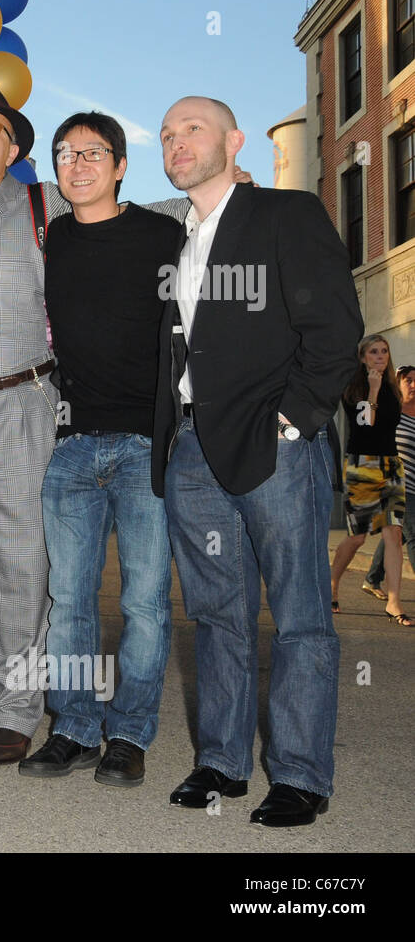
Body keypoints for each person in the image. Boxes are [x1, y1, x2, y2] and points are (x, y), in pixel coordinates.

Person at [152, 96, 362, 827]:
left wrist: (295, 418)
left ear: (234, 141)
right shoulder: (175, 238)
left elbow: (335, 328)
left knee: (300, 616)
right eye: (168, 135)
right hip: (192, 453)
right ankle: (221, 762)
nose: (177, 144)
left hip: (274, 450)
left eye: (193, 130)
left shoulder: (285, 213)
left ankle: (301, 774)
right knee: (215, 615)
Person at [16, 112, 182, 787]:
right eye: (65, 153)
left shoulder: (163, 233)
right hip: (72, 443)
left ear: (119, 165)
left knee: (144, 601)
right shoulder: (52, 234)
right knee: (70, 599)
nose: (77, 163)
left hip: (147, 443)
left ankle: (130, 734)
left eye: (92, 153)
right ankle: (76, 726)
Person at [329, 335, 411, 625]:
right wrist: (373, 391)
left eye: (384, 351)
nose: (380, 356)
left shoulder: (392, 388)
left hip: (390, 466)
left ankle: (393, 602)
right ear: (362, 357)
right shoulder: (353, 389)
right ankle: (333, 584)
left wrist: (383, 388)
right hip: (362, 465)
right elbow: (366, 425)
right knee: (357, 538)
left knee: (393, 534)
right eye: (373, 352)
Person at [361, 362, 415, 615]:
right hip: (395, 484)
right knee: (411, 534)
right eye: (408, 380)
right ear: (398, 382)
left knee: (397, 536)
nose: (414, 384)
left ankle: (372, 578)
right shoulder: (390, 411)